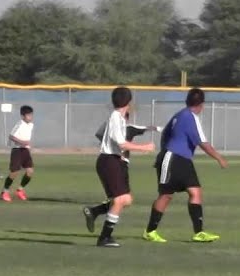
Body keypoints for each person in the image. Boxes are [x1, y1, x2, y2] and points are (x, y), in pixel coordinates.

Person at [143, 87, 229, 243]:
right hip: (172, 158)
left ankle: (199, 232)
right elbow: (203, 143)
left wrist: (164, 150)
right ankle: (150, 231)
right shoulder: (191, 117)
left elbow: (165, 134)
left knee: (195, 192)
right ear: (202, 104)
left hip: (183, 160)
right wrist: (219, 158)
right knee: (166, 195)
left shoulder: (179, 115)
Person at [82, 87, 153, 247]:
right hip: (108, 161)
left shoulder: (119, 118)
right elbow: (121, 143)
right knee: (120, 200)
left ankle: (94, 212)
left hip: (113, 160)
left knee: (126, 199)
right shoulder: (115, 117)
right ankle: (104, 238)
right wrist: (144, 147)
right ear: (129, 102)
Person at [1, 105, 35, 202]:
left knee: (30, 171)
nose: (30, 117)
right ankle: (4, 191)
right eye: (28, 115)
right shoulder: (19, 124)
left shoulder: (31, 125)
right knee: (14, 172)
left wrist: (27, 145)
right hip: (17, 150)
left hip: (25, 150)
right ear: (23, 116)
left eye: (31, 115)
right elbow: (11, 136)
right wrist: (22, 142)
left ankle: (20, 190)